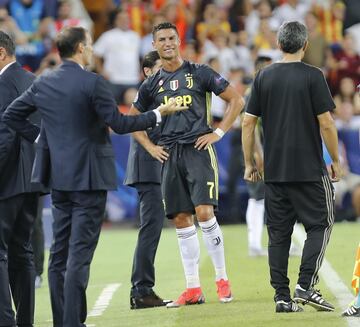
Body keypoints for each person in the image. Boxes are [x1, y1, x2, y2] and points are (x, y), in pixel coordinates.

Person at [2, 26, 187, 327]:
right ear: (79, 49)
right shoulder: (92, 83)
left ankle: (64, 321)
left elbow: (11, 115)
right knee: (79, 255)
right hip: (89, 180)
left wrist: (41, 140)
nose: (91, 51)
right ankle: (74, 322)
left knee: (59, 255)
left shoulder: (43, 82)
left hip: (58, 180)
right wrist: (158, 113)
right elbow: (119, 123)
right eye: (88, 45)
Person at [130, 22, 244, 307]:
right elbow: (132, 119)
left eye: (171, 38)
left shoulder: (200, 72)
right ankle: (193, 287)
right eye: (161, 39)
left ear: (179, 40)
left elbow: (236, 100)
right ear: (154, 45)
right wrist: (150, 146)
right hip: (170, 153)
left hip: (198, 149)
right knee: (181, 219)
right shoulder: (151, 84)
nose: (167, 43)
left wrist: (217, 133)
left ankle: (221, 279)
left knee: (205, 212)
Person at [242, 21, 343, 313]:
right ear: (305, 45)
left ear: (278, 44)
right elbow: (326, 122)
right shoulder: (313, 76)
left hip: (275, 171)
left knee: (278, 234)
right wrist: (335, 160)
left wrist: (250, 162)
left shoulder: (263, 77)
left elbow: (248, 122)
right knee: (321, 223)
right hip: (309, 169)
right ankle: (305, 286)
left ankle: (282, 298)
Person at [0, 30, 42, 327]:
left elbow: (5, 136)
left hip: (7, 178)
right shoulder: (31, 79)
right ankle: (25, 321)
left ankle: (6, 320)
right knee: (22, 251)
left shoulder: (3, 83)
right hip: (32, 179)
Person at [124, 50, 170, 309]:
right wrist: (152, 149)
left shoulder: (156, 92)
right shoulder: (147, 92)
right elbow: (134, 123)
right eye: (159, 67)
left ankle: (142, 288)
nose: (164, 71)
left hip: (152, 168)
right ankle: (141, 290)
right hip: (147, 167)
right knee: (150, 229)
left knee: (152, 229)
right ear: (147, 71)